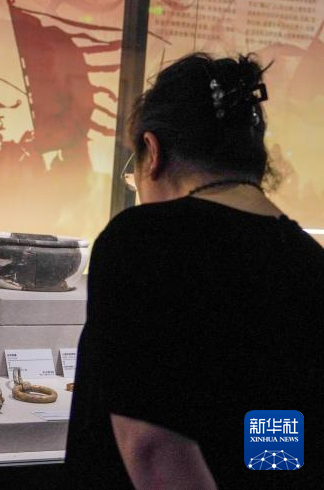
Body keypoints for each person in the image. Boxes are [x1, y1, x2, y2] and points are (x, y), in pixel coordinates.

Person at [66, 53, 323, 490]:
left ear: (153, 152)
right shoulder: (307, 260)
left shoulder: (143, 241)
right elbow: (278, 433)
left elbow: (152, 447)